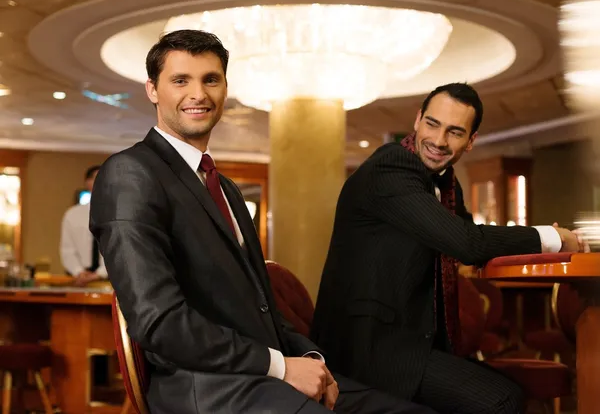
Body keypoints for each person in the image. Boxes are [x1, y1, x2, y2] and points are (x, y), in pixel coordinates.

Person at [89, 29, 436, 414]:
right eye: (180, 80)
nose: (198, 94)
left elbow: (265, 312)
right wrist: (281, 366)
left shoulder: (228, 190)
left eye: (211, 79)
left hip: (264, 377)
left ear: (224, 88)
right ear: (153, 89)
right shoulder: (129, 174)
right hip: (205, 390)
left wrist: (314, 362)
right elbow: (161, 323)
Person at [310, 83, 588, 414]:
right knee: (503, 400)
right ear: (417, 120)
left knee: (512, 390)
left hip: (414, 343)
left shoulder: (446, 183)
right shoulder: (391, 168)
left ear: (471, 141)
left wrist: (543, 240)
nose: (439, 140)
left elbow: (473, 238)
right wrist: (554, 239)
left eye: (455, 132)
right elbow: (468, 243)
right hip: (369, 350)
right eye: (432, 124)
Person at [60, 165, 106, 286]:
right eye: (96, 178)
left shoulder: (119, 212)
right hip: (79, 279)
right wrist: (79, 271)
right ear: (88, 182)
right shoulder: (72, 215)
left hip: (109, 279)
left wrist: (100, 274)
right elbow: (67, 249)